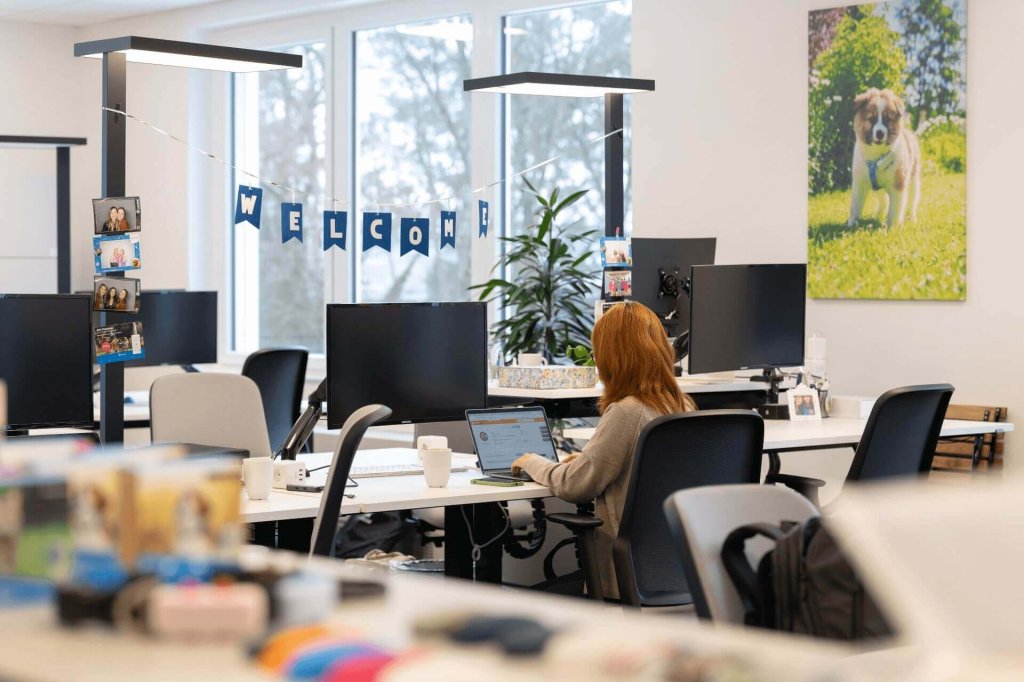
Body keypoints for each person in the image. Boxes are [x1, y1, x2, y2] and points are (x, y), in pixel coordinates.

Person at [511, 301, 697, 599]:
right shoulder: (682, 406)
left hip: (625, 576)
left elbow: (576, 486)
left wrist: (532, 462)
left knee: (527, 598)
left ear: (612, 357)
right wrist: (584, 461)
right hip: (679, 568)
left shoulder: (628, 412)